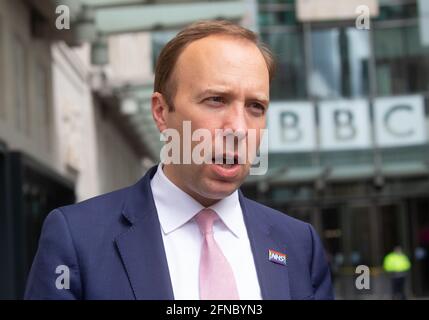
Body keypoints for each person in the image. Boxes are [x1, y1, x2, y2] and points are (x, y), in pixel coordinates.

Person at [24, 20, 334, 300]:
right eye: (216, 100)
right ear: (161, 112)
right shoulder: (78, 239)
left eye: (255, 106)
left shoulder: (298, 245)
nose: (239, 128)